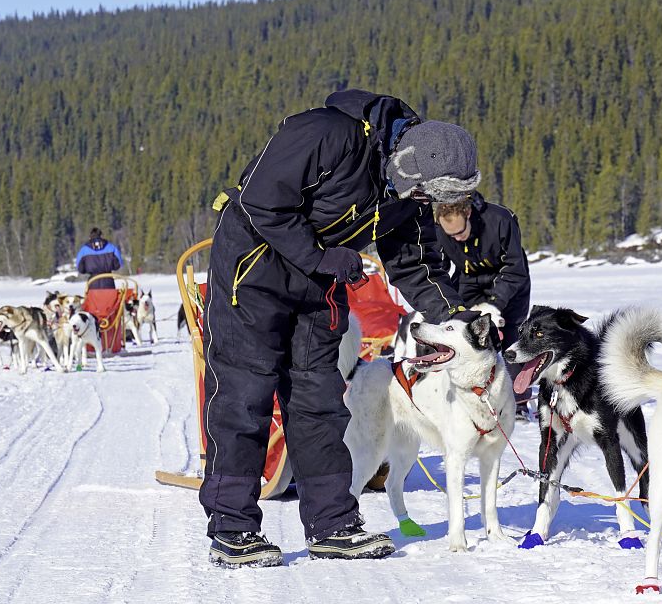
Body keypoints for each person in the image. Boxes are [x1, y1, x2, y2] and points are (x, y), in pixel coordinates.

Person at [203, 89, 482, 568]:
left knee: (320, 403)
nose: (422, 204)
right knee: (244, 398)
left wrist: (453, 316)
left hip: (319, 282)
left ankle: (333, 525)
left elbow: (414, 261)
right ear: (408, 164)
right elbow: (261, 202)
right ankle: (234, 528)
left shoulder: (408, 186)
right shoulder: (325, 134)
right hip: (253, 270)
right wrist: (323, 257)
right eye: (424, 195)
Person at [434, 193, 532, 417]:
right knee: (460, 332)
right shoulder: (441, 229)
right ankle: (464, 393)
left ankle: (518, 403)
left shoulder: (500, 220)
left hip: (509, 278)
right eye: (451, 235)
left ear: (468, 213)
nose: (457, 239)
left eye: (460, 232)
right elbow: (439, 268)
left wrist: (496, 304)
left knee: (512, 340)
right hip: (469, 279)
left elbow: (515, 268)